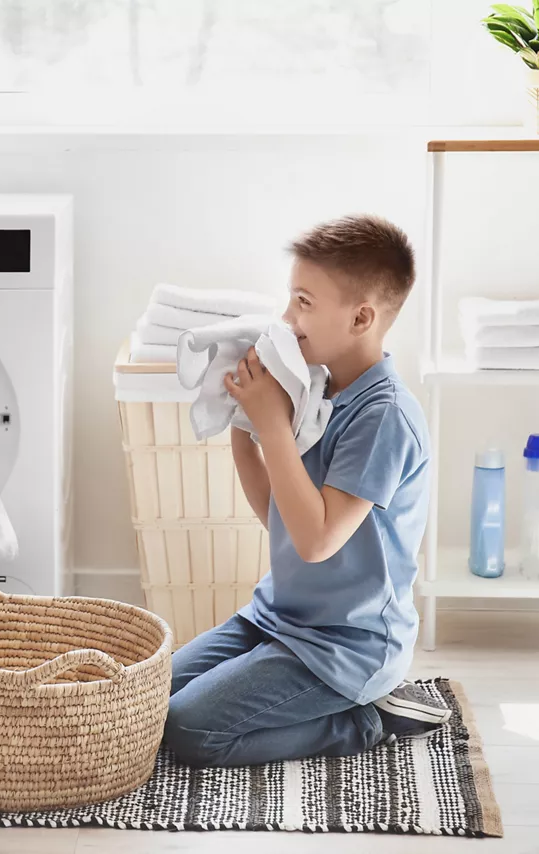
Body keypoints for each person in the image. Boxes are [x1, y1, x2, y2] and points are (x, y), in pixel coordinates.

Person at [163, 214, 448, 767]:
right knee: (143, 697)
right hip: (277, 616)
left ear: (361, 317)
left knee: (189, 730)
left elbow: (317, 542)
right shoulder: (314, 390)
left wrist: (272, 426)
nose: (287, 319)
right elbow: (283, 521)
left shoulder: (383, 417)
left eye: (304, 302)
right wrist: (246, 428)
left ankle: (370, 718)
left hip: (344, 646)